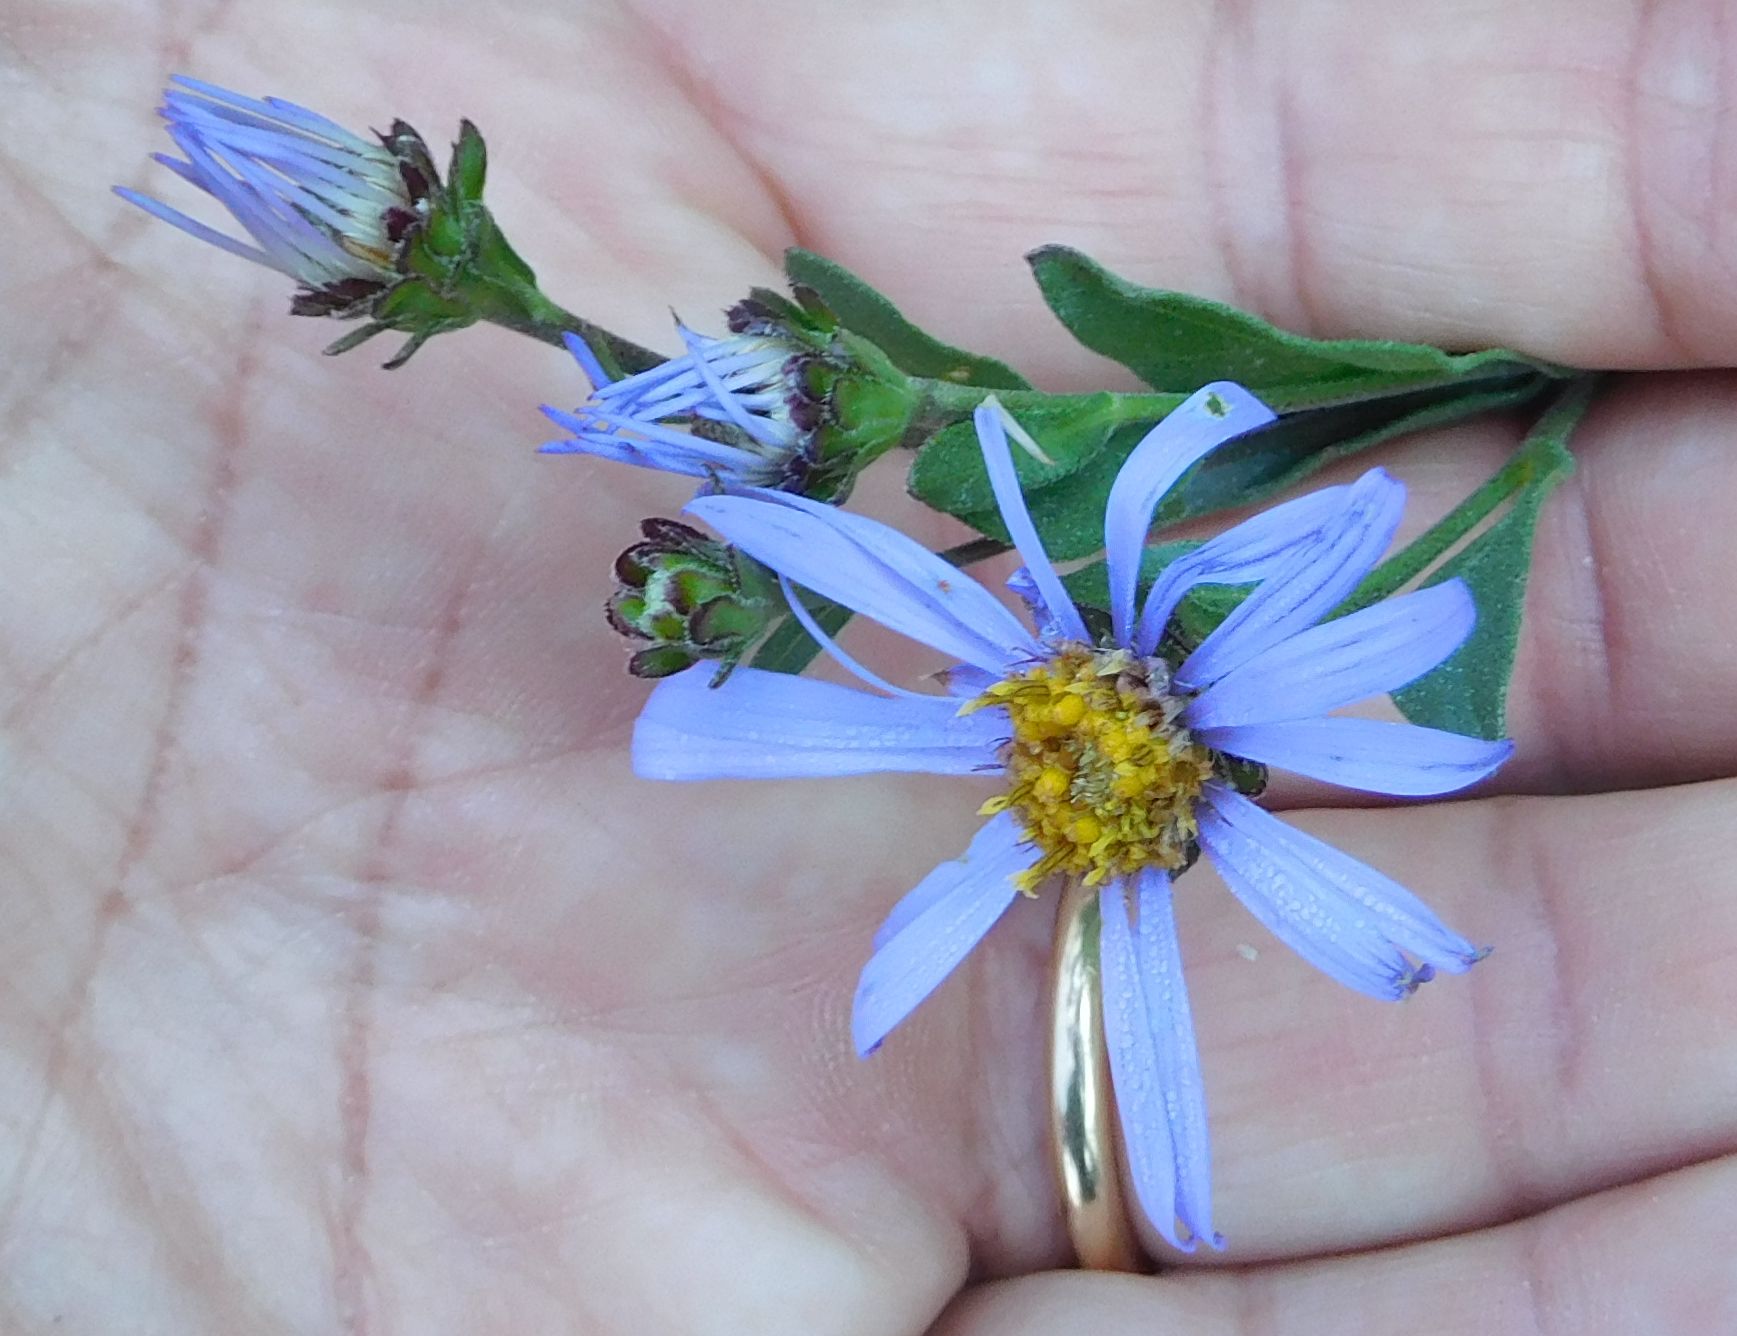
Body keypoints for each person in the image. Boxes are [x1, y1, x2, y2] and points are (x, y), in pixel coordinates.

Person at [2, 5, 1733, 1332]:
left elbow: (1178, 475)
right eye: (1073, 766)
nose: (1067, 778)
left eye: (1071, 764)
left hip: (1132, 621)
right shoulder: (1064, 728)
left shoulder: (1077, 679)